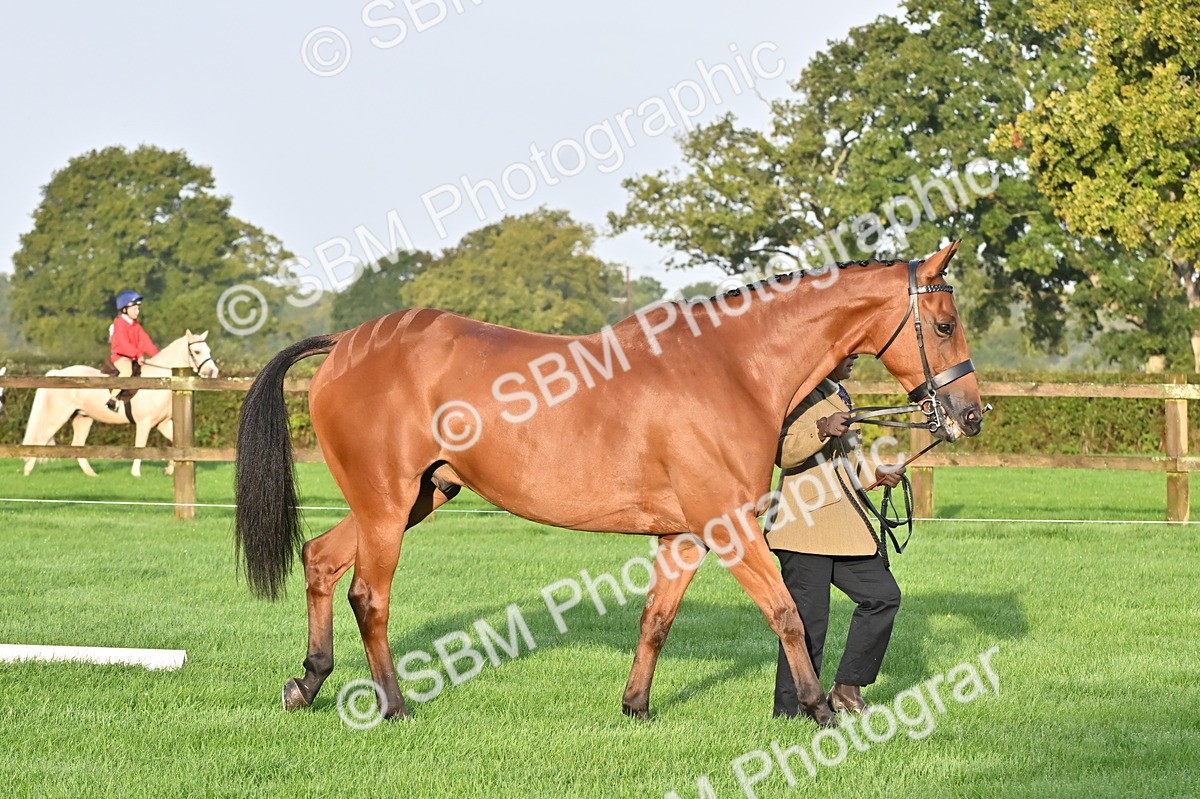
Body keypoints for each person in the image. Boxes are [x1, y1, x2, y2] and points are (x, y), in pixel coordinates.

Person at [765, 353, 905, 718]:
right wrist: (821, 429)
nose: (855, 357)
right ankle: (790, 712)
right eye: (848, 352)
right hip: (802, 528)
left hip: (844, 527)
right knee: (809, 622)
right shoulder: (796, 395)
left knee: (883, 596)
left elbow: (849, 460)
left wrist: (878, 473)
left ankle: (846, 688)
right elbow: (782, 453)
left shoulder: (839, 394)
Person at [105, 290, 158, 411]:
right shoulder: (119, 324)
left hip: (133, 357)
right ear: (124, 310)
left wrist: (157, 356)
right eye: (134, 309)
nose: (137, 312)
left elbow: (146, 342)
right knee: (127, 371)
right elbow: (124, 344)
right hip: (120, 357)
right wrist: (138, 354)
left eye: (138, 309)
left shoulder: (136, 326)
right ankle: (113, 399)